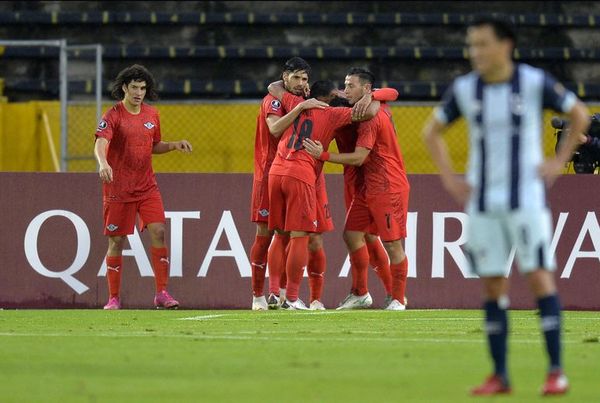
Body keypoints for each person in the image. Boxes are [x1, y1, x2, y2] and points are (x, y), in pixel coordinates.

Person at [422, 17, 590, 396]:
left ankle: (556, 372)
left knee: (538, 278)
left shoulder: (533, 82)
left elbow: (579, 113)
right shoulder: (466, 89)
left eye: (482, 44)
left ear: (506, 45)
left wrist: (558, 159)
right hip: (483, 203)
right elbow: (430, 132)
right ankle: (500, 375)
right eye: (472, 45)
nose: (476, 52)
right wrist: (450, 178)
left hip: (525, 200)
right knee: (493, 284)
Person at [266, 78, 380, 310]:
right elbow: (368, 113)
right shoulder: (332, 113)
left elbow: (273, 86)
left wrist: (301, 98)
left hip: (276, 171)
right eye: (335, 95)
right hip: (300, 173)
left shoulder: (296, 102)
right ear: (328, 100)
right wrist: (371, 95)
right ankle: (292, 298)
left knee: (279, 235)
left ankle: (274, 292)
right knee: (301, 236)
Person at [303, 68, 410, 311]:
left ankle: (397, 298)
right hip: (363, 183)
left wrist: (324, 155)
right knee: (353, 234)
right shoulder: (358, 106)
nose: (346, 89)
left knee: (390, 242)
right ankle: (361, 292)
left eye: (351, 85)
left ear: (365, 88)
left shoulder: (368, 115)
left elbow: (360, 157)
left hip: (385, 183)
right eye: (345, 85)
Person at [94, 64, 193, 310]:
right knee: (116, 241)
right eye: (135, 87)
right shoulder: (113, 115)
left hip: (147, 186)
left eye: (143, 88)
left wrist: (173, 145)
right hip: (118, 189)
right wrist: (103, 162)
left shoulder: (152, 115)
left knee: (159, 231)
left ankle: (161, 293)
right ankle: (113, 298)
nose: (139, 92)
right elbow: (100, 143)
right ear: (124, 88)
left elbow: (153, 145)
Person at [249, 57, 330, 310]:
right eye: (296, 77)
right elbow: (274, 129)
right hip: (269, 174)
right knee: (267, 235)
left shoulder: (302, 103)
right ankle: (259, 295)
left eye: (305, 79)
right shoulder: (275, 101)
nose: (300, 83)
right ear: (285, 77)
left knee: (307, 236)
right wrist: (300, 106)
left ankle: (289, 296)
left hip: (304, 174)